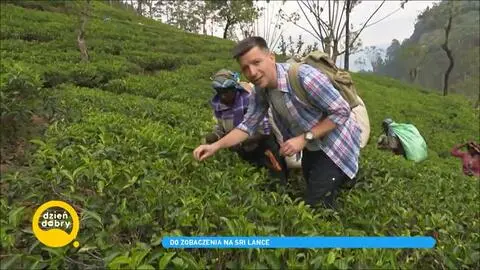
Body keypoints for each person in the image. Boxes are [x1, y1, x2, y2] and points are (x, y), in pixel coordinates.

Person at [194, 37, 361, 209]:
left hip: (337, 142)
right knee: (313, 181)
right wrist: (215, 147)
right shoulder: (260, 91)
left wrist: (303, 138)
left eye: (256, 62)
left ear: (271, 57)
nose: (252, 72)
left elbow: (342, 111)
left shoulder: (305, 77)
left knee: (316, 207)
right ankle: (346, 177)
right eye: (245, 68)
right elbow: (247, 126)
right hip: (312, 145)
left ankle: (345, 174)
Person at [204, 69, 287, 182]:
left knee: (276, 181)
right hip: (243, 151)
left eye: (227, 91)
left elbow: (265, 132)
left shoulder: (250, 100)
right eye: (220, 92)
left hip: (263, 147)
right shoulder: (220, 106)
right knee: (253, 181)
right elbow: (221, 128)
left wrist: (241, 141)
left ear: (234, 89)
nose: (223, 96)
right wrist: (214, 136)